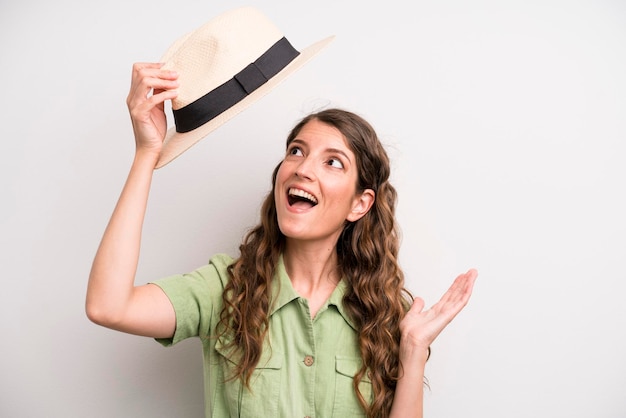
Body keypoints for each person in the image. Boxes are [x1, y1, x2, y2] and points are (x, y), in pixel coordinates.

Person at [86, 61, 477, 418]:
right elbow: (108, 306)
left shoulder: (388, 316)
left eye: (332, 162)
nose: (303, 169)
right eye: (296, 151)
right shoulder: (226, 289)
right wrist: (146, 154)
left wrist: (412, 352)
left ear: (360, 203)